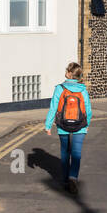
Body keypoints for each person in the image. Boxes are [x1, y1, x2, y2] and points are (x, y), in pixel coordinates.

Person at [45, 62, 92, 194]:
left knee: (65, 153)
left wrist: (48, 125)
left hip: (63, 124)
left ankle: (66, 180)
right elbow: (88, 110)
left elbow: (53, 107)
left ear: (69, 74)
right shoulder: (83, 89)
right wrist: (86, 124)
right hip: (80, 125)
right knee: (76, 153)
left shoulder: (60, 88)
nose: (65, 71)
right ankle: (73, 178)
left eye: (67, 70)